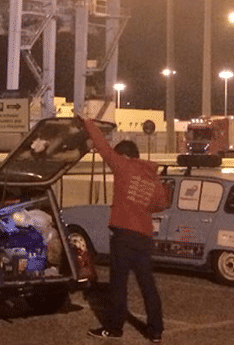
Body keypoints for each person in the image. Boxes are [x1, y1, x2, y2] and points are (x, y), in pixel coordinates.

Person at [79, 115, 167, 343]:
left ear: (124, 155)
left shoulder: (123, 166)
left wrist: (87, 122)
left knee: (119, 284)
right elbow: (160, 204)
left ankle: (114, 328)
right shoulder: (153, 177)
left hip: (124, 236)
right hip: (144, 237)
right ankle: (156, 331)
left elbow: (101, 145)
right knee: (147, 283)